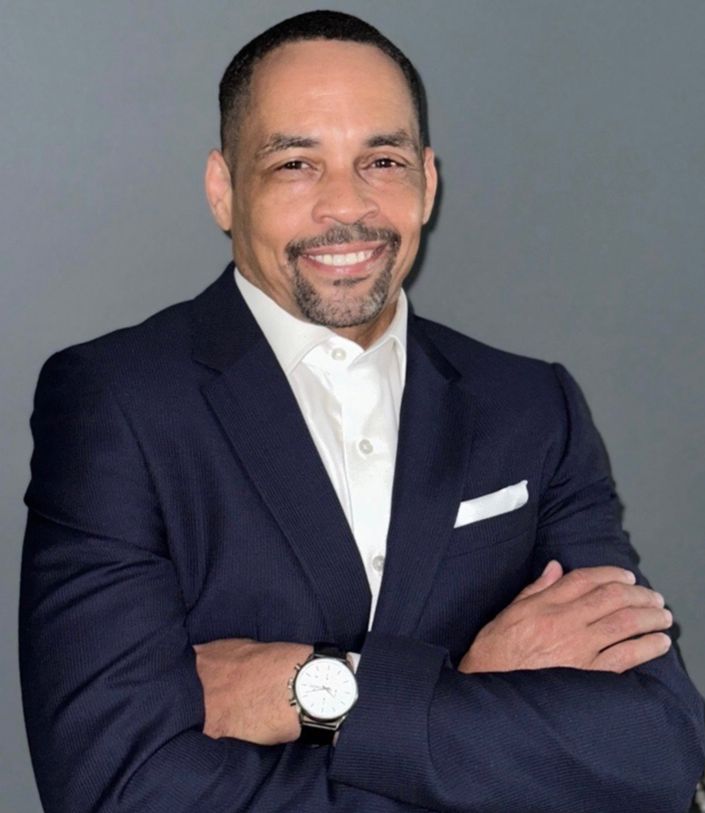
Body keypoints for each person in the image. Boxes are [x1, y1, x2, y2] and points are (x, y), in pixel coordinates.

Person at [19, 10, 704, 813]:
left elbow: (654, 747)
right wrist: (475, 690)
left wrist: (325, 691)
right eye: (295, 163)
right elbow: (120, 790)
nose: (345, 205)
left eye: (380, 159)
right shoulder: (115, 402)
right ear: (222, 189)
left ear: (427, 181)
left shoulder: (531, 406)